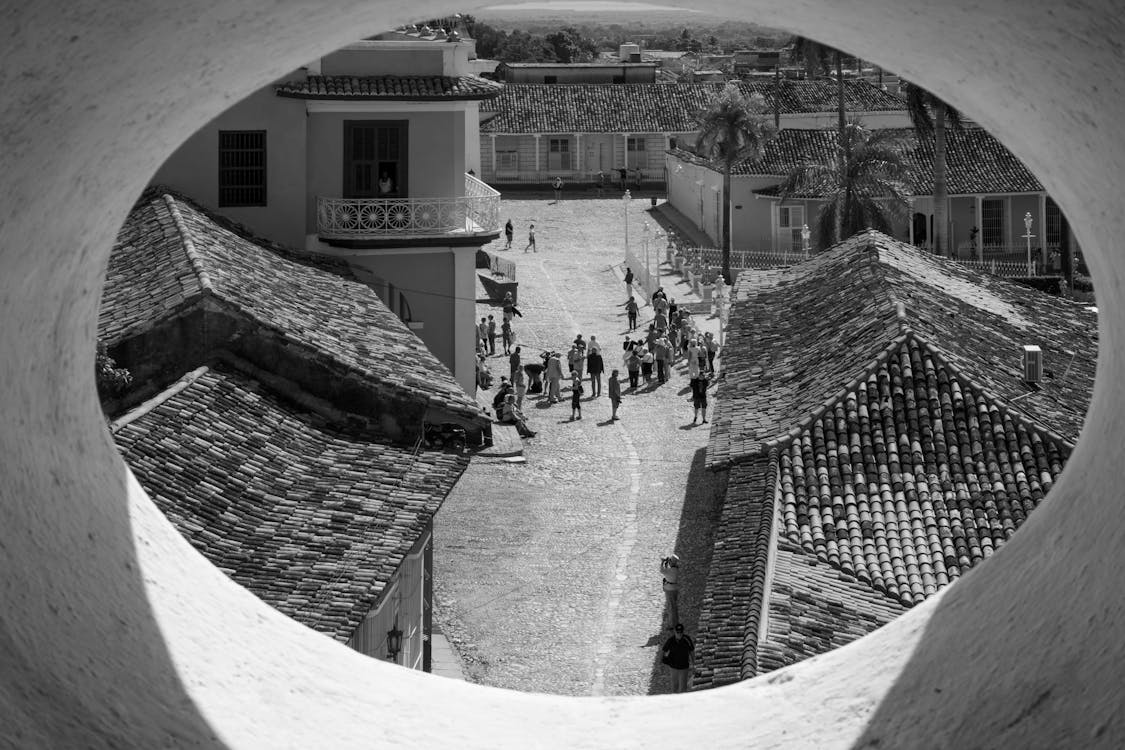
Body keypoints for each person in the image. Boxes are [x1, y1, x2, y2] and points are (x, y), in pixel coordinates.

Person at [662, 624, 694, 694]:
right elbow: (664, 650)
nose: (679, 634)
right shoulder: (670, 640)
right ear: (675, 632)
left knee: (683, 688)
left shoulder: (687, 639)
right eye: (677, 632)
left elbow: (691, 651)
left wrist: (694, 663)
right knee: (674, 687)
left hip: (684, 667)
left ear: (683, 632)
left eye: (681, 632)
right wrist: (665, 660)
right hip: (673, 667)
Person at [660, 554, 681, 629]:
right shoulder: (676, 569)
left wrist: (662, 562)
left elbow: (662, 570)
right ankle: (675, 622)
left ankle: (672, 624)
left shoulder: (670, 570)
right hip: (674, 588)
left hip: (669, 589)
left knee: (671, 607)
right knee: (673, 606)